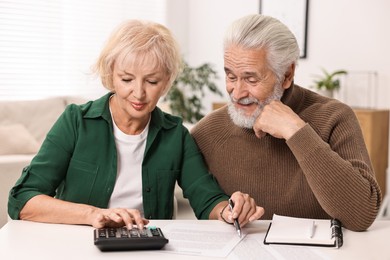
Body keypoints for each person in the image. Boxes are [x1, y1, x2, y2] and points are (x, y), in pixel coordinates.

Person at [8, 19, 264, 230]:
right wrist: (93, 215)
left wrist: (230, 210)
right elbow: (22, 199)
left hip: (148, 247)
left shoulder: (175, 135)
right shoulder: (76, 121)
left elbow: (207, 198)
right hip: (77, 246)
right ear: (111, 76)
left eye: (151, 81)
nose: (139, 93)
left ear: (165, 82)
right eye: (127, 79)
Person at [191, 14, 382, 232]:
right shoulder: (207, 132)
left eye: (251, 79)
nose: (237, 93)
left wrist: (295, 130)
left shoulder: (335, 117)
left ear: (287, 74)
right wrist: (226, 211)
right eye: (231, 77)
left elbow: (362, 216)